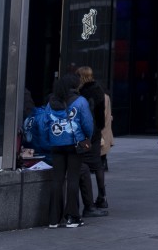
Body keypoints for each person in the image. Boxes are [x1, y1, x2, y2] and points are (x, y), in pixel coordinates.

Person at [38, 73, 95, 229]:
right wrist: (86, 138)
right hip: (74, 144)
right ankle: (72, 217)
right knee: (73, 178)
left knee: (57, 180)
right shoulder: (80, 102)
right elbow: (88, 124)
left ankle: (54, 219)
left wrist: (49, 141)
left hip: (56, 145)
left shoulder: (51, 102)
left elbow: (44, 125)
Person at [75, 66, 109, 217]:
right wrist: (100, 128)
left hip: (83, 132)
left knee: (81, 165)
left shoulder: (79, 92)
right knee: (98, 165)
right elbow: (101, 112)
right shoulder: (97, 89)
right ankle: (102, 197)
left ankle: (83, 201)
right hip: (95, 132)